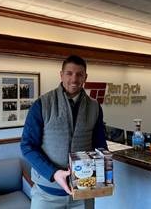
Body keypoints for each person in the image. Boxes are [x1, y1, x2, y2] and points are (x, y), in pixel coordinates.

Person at [20, 55, 108, 209]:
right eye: (69, 73)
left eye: (79, 74)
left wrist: (105, 170)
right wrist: (53, 173)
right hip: (47, 194)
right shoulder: (42, 104)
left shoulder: (95, 107)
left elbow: (100, 144)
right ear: (61, 75)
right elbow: (27, 146)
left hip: (83, 193)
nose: (74, 79)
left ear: (85, 77)